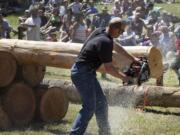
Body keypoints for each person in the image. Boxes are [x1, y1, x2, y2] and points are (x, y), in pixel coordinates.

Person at [70, 17, 139, 135]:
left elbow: (116, 46)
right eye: (121, 31)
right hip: (82, 73)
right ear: (114, 28)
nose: (122, 33)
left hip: (86, 72)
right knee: (89, 107)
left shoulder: (101, 31)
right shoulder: (104, 42)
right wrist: (125, 78)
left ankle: (105, 132)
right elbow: (109, 68)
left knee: (101, 104)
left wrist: (133, 59)